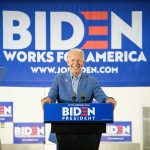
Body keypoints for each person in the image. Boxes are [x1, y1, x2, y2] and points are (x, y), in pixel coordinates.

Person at [41, 48, 117, 150]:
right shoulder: (59, 79)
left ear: (83, 62)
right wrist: (47, 100)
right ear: (67, 61)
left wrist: (109, 100)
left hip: (88, 130)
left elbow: (103, 98)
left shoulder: (91, 80)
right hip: (64, 129)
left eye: (78, 60)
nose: (75, 63)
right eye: (72, 60)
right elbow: (51, 97)